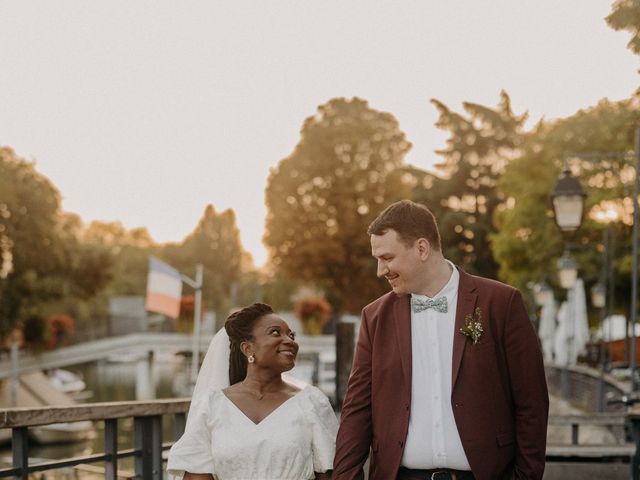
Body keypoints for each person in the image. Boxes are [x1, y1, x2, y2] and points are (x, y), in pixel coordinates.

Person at [333, 200, 549, 480]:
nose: (380, 270)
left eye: (387, 258)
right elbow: (356, 411)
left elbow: (532, 402)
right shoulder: (375, 317)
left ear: (422, 248)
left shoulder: (501, 303)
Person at [167, 302, 338, 480]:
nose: (289, 341)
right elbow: (196, 475)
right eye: (275, 332)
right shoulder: (212, 405)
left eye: (291, 335)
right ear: (248, 348)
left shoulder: (312, 402)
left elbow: (328, 473)